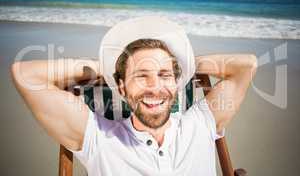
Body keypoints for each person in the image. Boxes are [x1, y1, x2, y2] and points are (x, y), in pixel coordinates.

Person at [11, 16, 257, 176]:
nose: (154, 86)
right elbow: (25, 74)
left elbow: (248, 65)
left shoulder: (201, 122)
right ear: (121, 88)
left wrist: (190, 65)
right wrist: (101, 69)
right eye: (141, 76)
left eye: (164, 75)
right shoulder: (99, 138)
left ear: (177, 82)